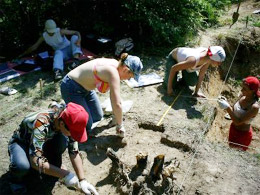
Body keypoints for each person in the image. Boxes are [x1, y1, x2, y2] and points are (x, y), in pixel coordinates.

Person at [8, 102, 99, 194]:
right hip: (22, 142)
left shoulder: (67, 118)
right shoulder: (42, 123)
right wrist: (65, 174)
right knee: (22, 166)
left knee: (61, 143)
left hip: (45, 140)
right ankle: (15, 181)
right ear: (62, 124)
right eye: (72, 132)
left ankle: (53, 166)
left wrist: (82, 180)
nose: (73, 135)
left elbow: (74, 151)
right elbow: (35, 161)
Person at [60, 53, 143, 137]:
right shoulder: (112, 72)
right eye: (130, 76)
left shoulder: (116, 66)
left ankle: (73, 106)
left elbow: (115, 99)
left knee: (97, 116)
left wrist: (117, 116)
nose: (128, 79)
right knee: (86, 125)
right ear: (125, 69)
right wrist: (120, 125)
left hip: (86, 90)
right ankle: (63, 111)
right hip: (71, 87)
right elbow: (117, 103)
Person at [218, 76, 260, 151]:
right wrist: (226, 102)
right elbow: (234, 110)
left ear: (252, 91)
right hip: (233, 129)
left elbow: (238, 122)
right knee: (230, 150)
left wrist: (227, 107)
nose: (241, 90)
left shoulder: (254, 107)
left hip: (242, 136)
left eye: (245, 89)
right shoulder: (242, 96)